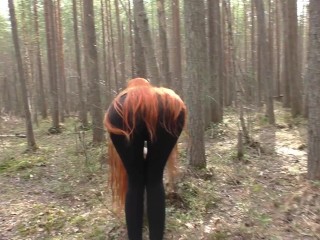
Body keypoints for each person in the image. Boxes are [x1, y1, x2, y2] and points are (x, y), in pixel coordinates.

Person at [104, 78, 186, 240]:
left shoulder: (121, 101)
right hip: (170, 109)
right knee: (155, 180)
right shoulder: (164, 98)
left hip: (120, 115)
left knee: (134, 181)